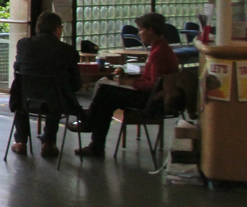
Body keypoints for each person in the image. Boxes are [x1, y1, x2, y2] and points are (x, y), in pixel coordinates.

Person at [70, 11, 179, 157]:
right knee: (106, 96)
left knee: (106, 93)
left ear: (150, 30)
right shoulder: (161, 48)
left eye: (141, 30)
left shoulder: (159, 53)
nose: (139, 34)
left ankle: (91, 128)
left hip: (151, 100)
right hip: (152, 97)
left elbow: (153, 84)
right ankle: (95, 140)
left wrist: (131, 82)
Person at [10, 11, 84, 159]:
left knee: (20, 92)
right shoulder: (67, 51)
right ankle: (48, 143)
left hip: (27, 101)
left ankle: (21, 142)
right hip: (56, 104)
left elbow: (17, 69)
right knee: (56, 96)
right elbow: (75, 84)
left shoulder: (23, 45)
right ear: (57, 29)